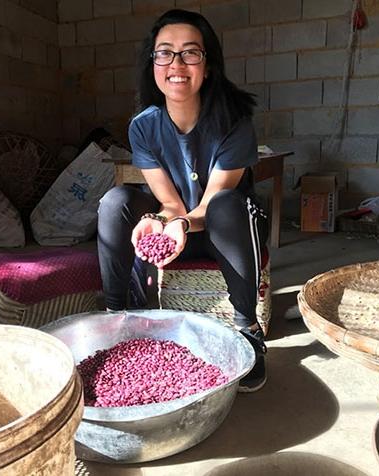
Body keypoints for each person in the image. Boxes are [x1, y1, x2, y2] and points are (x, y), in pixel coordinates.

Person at [96, 9, 270, 393]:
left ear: (207, 66)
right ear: (152, 63)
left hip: (229, 232)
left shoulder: (234, 122)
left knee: (227, 203)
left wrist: (182, 224)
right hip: (182, 230)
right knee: (115, 202)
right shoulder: (143, 125)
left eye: (190, 53)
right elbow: (170, 203)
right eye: (165, 53)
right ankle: (117, 316)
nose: (176, 64)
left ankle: (248, 327)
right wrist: (161, 221)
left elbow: (211, 202)